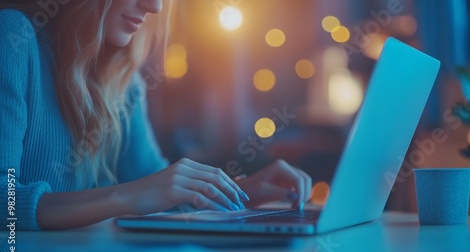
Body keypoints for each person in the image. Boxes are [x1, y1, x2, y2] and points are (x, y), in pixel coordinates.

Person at [0, 0, 311, 231]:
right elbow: (5, 202)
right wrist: (128, 196)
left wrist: (240, 191)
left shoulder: (122, 77)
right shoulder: (14, 38)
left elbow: (156, 184)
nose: (156, 7)